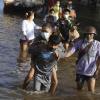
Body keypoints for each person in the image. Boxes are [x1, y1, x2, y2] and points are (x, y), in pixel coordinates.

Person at [65, 26, 100, 93]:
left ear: (94, 35)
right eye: (87, 34)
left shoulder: (98, 44)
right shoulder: (79, 43)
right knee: (79, 90)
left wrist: (97, 70)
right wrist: (61, 55)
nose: (89, 35)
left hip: (91, 71)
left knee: (91, 91)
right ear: (85, 34)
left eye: (91, 34)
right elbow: (70, 52)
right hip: (80, 71)